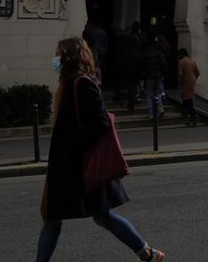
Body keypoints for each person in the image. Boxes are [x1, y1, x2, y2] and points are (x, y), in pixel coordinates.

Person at [36, 36, 164, 262]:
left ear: (68, 56)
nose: (55, 58)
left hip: (77, 168)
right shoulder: (69, 84)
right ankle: (147, 253)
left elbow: (100, 124)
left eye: (58, 53)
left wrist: (73, 149)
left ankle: (146, 252)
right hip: (68, 167)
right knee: (69, 218)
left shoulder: (81, 83)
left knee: (88, 216)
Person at [141, 34, 167, 119]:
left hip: (149, 76)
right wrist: (162, 73)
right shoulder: (159, 52)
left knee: (149, 94)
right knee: (158, 93)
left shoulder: (145, 53)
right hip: (158, 75)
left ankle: (151, 113)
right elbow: (163, 63)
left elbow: (143, 65)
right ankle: (160, 108)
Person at [177, 48, 201, 127]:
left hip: (186, 82)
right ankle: (188, 116)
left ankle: (193, 119)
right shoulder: (192, 61)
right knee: (187, 99)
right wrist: (193, 78)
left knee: (188, 101)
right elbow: (198, 72)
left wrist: (181, 82)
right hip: (192, 81)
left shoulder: (181, 62)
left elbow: (180, 75)